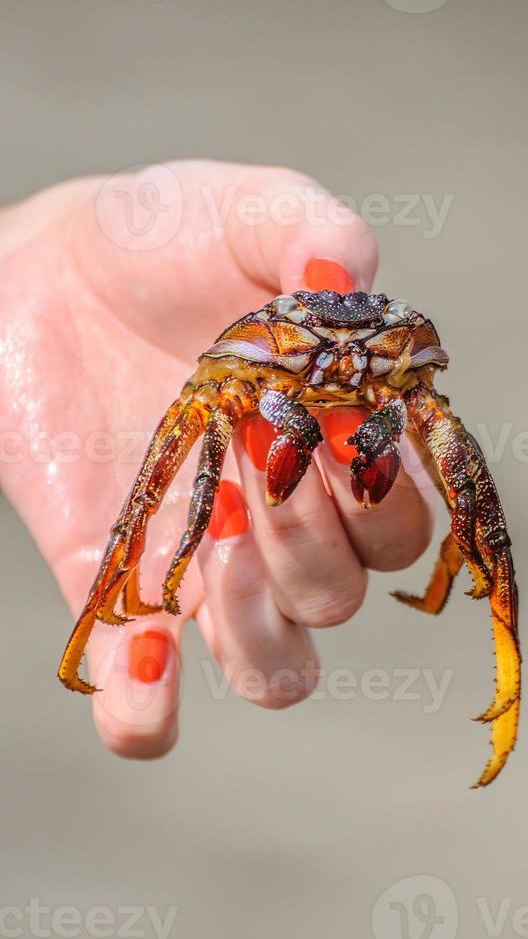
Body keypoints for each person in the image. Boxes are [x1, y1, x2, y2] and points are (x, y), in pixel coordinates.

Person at [0, 161, 433, 759]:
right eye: (311, 334)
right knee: (151, 507)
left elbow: (465, 476)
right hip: (243, 390)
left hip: (349, 401)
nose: (336, 352)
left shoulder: (393, 365)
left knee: (466, 489)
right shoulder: (230, 373)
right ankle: (104, 620)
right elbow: (161, 493)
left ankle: (461, 591)